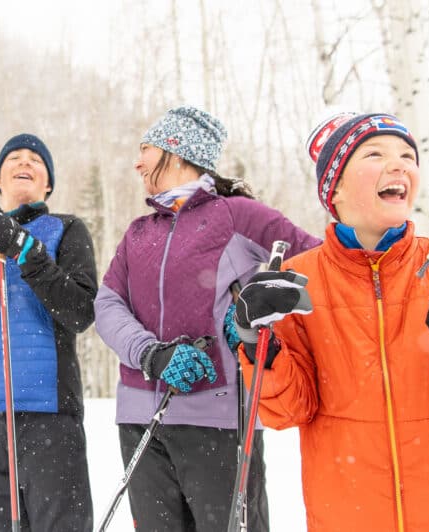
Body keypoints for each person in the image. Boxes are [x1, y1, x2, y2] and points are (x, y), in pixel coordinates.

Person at [232, 112, 429, 531]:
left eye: (407, 156)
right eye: (375, 154)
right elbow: (288, 408)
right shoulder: (298, 282)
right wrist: (256, 342)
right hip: (347, 517)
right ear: (335, 188)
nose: (399, 165)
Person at [94, 106, 321, 531]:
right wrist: (150, 354)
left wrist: (254, 311)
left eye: (146, 149)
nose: (137, 162)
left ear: (176, 152)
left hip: (218, 420)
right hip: (141, 420)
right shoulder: (138, 232)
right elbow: (107, 305)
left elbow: (321, 271)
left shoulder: (237, 215)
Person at [0, 133, 96, 531]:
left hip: (47, 412)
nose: (24, 162)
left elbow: (80, 311)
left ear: (48, 184)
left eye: (36, 160)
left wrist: (25, 250)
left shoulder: (67, 228)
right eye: (14, 157)